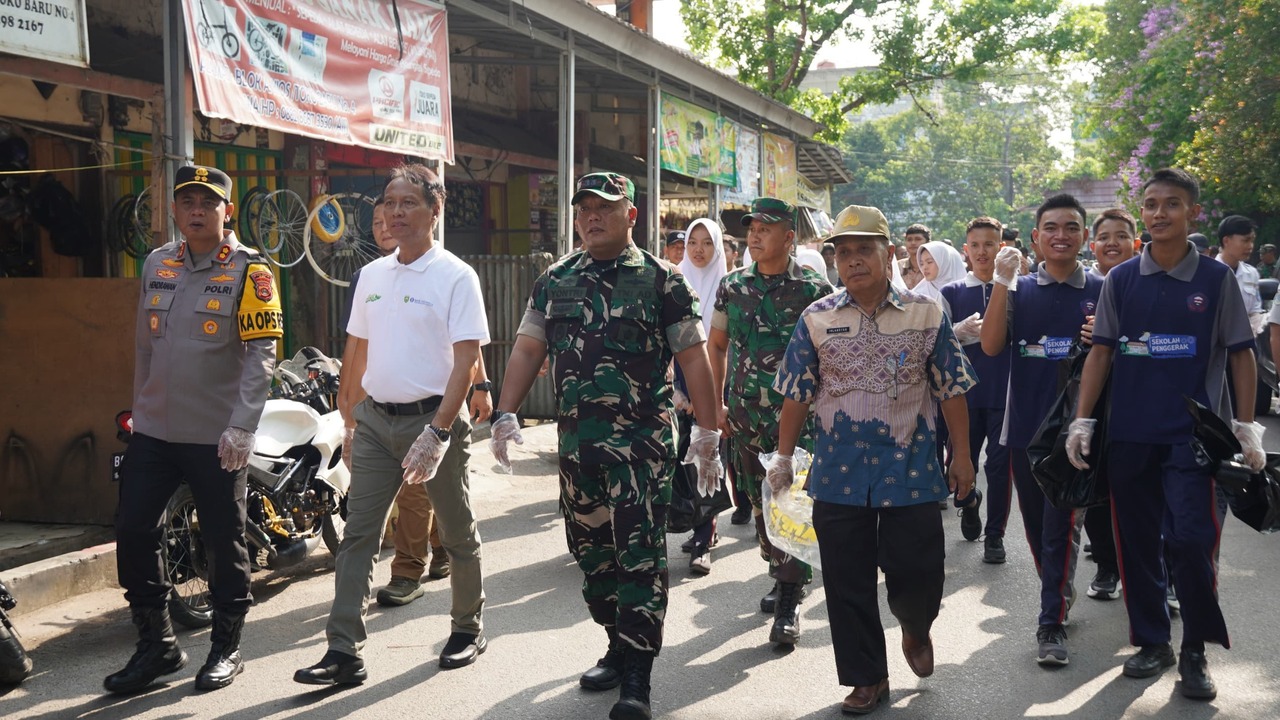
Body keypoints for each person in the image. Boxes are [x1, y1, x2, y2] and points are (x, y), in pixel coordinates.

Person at [489, 172, 724, 720]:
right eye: (584, 208)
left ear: (631, 215)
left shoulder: (664, 282)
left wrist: (709, 432)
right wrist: (505, 411)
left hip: (641, 451)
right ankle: (617, 643)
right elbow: (527, 349)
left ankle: (638, 677)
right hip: (577, 452)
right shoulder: (555, 280)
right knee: (592, 561)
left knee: (638, 560)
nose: (592, 216)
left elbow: (694, 358)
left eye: (605, 207)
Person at [772, 204, 976, 715]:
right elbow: (796, 393)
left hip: (911, 472)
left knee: (920, 573)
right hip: (838, 477)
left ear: (889, 254)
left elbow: (952, 389)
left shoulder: (926, 313)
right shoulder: (817, 318)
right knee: (846, 583)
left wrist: (964, 458)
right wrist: (781, 456)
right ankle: (868, 677)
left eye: (865, 249)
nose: (854, 260)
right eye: (844, 252)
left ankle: (914, 625)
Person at [1068, 167, 1264, 701]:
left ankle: (1196, 650)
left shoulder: (1216, 280)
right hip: (1130, 435)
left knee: (1192, 541)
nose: (1159, 213)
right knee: (1136, 544)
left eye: (1171, 204)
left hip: (1194, 438)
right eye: (1151, 204)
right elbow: (1102, 351)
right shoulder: (1122, 279)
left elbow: (1242, 355)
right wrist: (1082, 420)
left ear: (1191, 213)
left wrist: (1246, 426)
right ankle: (1152, 641)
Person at [295, 163, 490, 685]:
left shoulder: (456, 276)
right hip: (377, 422)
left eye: (408, 202)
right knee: (359, 535)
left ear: (435, 209)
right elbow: (357, 353)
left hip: (433, 421)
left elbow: (466, 360)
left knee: (453, 528)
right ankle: (343, 652)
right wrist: (350, 421)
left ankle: (467, 628)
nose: (395, 212)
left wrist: (440, 431)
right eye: (388, 202)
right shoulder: (373, 275)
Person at [107, 165, 282, 694]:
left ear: (227, 210)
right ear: (177, 210)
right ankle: (157, 645)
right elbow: (144, 347)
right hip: (156, 430)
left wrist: (242, 427)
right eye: (188, 201)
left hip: (215, 436)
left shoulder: (251, 271)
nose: (198, 210)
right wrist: (140, 409)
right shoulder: (157, 263)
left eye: (209, 201)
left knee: (223, 540)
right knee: (134, 529)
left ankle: (226, 647)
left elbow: (262, 355)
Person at [979, 193, 1103, 668]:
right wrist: (999, 285)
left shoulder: (1102, 288)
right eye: (1051, 227)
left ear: (1083, 237)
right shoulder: (1017, 289)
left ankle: (1049, 620)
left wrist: (1102, 338)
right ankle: (1059, 592)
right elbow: (991, 347)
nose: (1061, 235)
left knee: (1061, 526)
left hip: (1076, 432)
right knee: (1037, 530)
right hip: (1023, 431)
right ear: (1035, 237)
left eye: (1071, 227)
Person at [708, 196, 834, 646]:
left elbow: (830, 357)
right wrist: (717, 404)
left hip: (797, 420)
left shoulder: (815, 289)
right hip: (744, 415)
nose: (755, 235)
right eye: (752, 228)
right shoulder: (732, 286)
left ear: (789, 237)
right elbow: (717, 345)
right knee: (759, 504)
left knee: (790, 501)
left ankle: (788, 596)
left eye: (766, 227)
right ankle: (781, 567)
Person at [1076, 207, 1140, 602]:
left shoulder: (1145, 284)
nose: (1112, 243)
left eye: (1121, 236)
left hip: (1140, 400)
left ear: (1135, 243)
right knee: (1096, 488)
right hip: (1095, 400)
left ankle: (1156, 573)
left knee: (1144, 492)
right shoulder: (1084, 287)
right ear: (1092, 244)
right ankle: (1107, 566)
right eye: (1105, 237)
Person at [940, 217, 1012, 562]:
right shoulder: (952, 292)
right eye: (976, 245)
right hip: (963, 397)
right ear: (965, 250)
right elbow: (933, 343)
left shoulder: (1016, 288)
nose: (983, 252)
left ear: (1001, 247)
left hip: (1005, 393)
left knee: (1000, 467)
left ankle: (995, 535)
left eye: (990, 244)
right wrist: (956, 330)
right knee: (958, 464)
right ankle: (969, 502)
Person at [675, 217, 727, 574]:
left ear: (718, 248)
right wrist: (677, 392)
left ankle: (704, 539)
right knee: (680, 462)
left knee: (706, 459)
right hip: (675, 389)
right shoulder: (673, 281)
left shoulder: (728, 287)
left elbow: (726, 348)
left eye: (707, 243)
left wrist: (711, 398)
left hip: (712, 386)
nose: (698, 249)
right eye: (693, 241)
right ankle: (695, 527)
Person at [1217, 215, 1265, 335]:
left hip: (1247, 342)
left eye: (1252, 240)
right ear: (1226, 241)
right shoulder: (1207, 274)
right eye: (1245, 240)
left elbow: (1254, 311)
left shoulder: (1251, 274)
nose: (1250, 246)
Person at [913, 240, 967, 306]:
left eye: (929, 262)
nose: (924, 267)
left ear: (945, 263)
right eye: (921, 263)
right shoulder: (917, 297)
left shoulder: (968, 292)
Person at [897, 223, 929, 289]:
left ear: (927, 242)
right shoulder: (897, 267)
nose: (913, 243)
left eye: (918, 239)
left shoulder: (933, 267)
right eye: (909, 239)